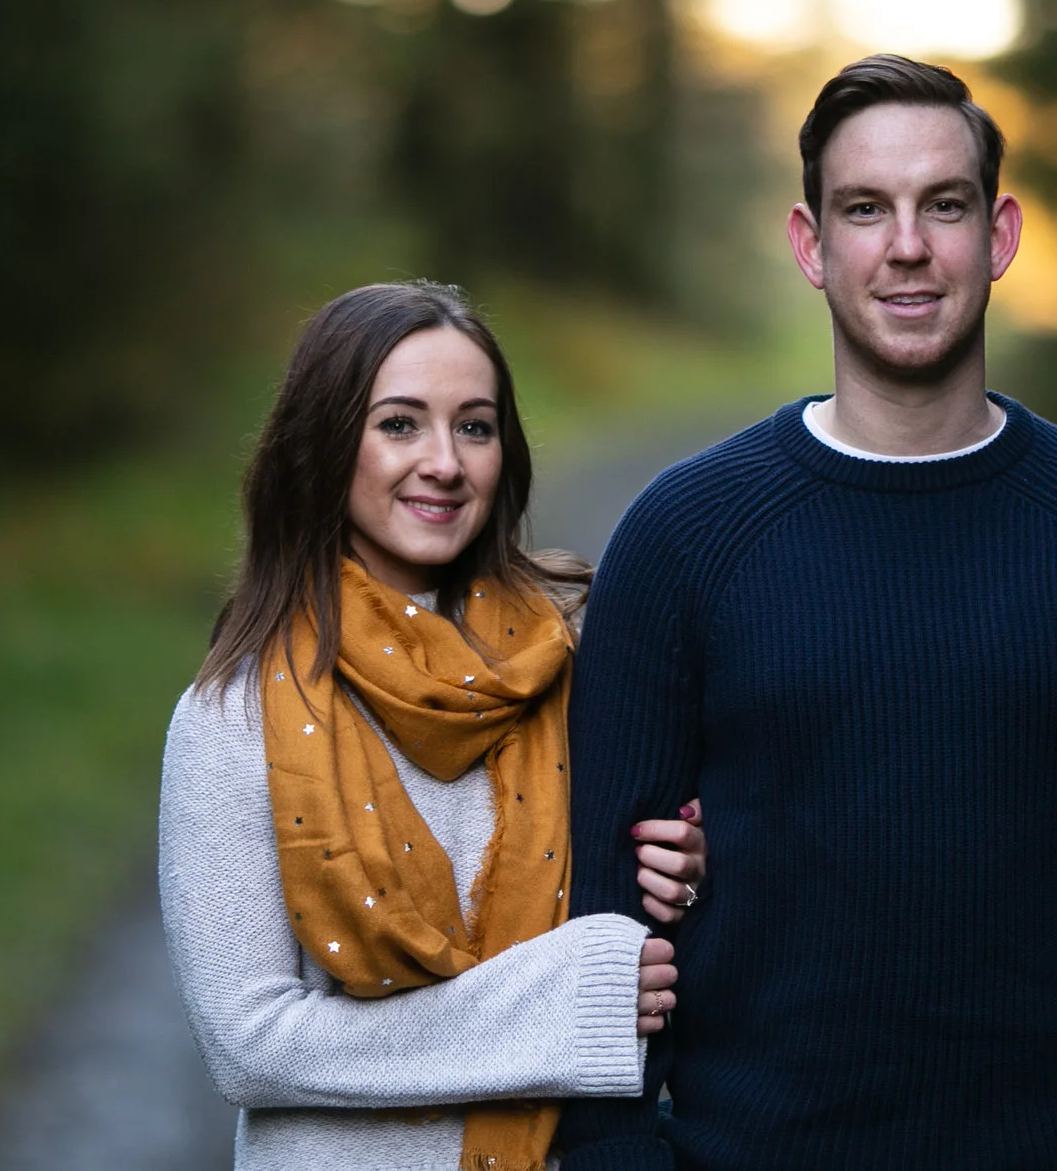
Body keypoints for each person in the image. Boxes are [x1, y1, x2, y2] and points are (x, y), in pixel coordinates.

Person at [557, 56, 1057, 1170]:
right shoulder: (685, 537)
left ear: (1001, 235)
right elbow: (605, 910)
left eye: (945, 205)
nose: (906, 245)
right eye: (865, 208)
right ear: (811, 244)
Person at [158, 281, 708, 1171]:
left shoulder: (572, 664)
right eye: (401, 424)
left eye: (476, 427)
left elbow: (646, 946)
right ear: (327, 445)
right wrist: (558, 1007)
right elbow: (249, 1043)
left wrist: (686, 877)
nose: (445, 463)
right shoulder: (234, 715)